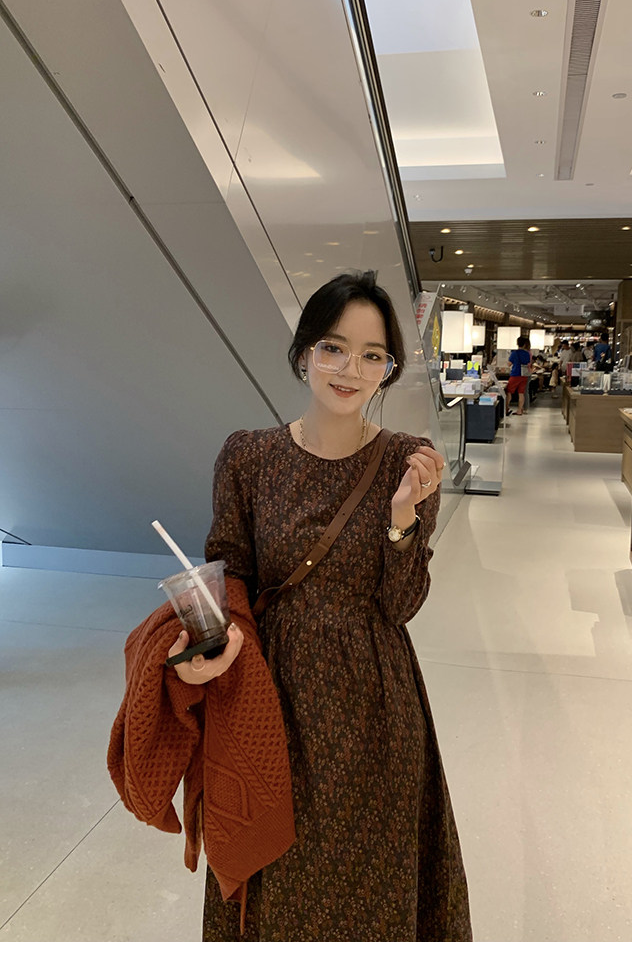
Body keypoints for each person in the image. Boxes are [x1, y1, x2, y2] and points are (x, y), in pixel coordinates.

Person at [139, 271, 472, 942]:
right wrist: (204, 649)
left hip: (374, 704)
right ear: (303, 354)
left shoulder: (409, 463)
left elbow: (401, 606)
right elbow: (229, 573)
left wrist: (402, 519)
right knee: (277, 870)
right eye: (333, 348)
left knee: (369, 878)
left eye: (372, 355)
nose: (351, 370)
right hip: (269, 695)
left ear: (388, 369)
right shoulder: (248, 456)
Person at [506, 334, 532, 415]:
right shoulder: (527, 353)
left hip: (515, 374)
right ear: (524, 344)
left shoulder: (514, 353)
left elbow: (509, 364)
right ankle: (520, 410)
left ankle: (506, 408)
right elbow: (528, 364)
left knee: (509, 392)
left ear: (517, 344)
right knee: (521, 393)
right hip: (524, 375)